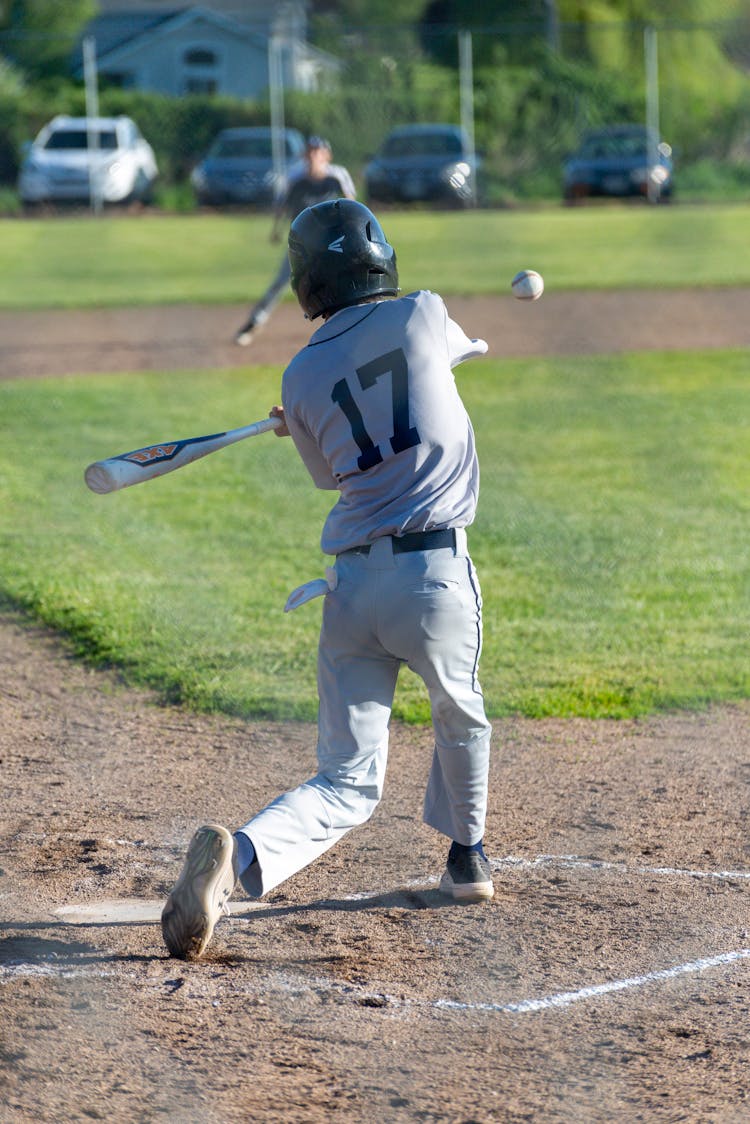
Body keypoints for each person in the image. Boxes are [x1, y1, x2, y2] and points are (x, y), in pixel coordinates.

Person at [162, 199, 493, 961]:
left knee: (346, 779)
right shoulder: (422, 313)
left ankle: (240, 855)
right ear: (379, 255)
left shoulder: (302, 371)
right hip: (434, 578)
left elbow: (329, 473)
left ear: (307, 281)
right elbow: (432, 366)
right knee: (459, 713)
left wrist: (297, 419)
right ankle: (467, 857)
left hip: (351, 593)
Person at [234, 135, 356, 346]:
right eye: (310, 151)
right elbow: (282, 206)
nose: (313, 156)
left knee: (346, 280)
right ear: (304, 155)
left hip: (333, 243)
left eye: (318, 151)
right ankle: (256, 320)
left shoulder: (337, 176)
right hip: (303, 243)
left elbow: (352, 206)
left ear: (327, 155)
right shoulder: (296, 177)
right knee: (282, 281)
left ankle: (353, 324)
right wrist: (276, 230)